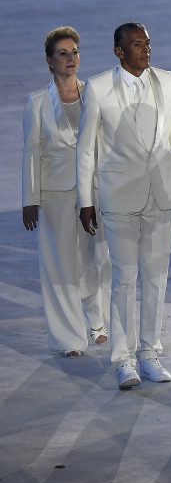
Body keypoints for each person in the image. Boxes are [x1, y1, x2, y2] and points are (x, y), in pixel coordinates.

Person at [76, 22, 171, 390]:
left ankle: (150, 352)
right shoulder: (97, 87)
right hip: (119, 195)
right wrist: (85, 200)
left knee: (156, 278)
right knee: (125, 279)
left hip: (161, 192)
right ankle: (123, 359)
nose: (146, 50)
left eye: (148, 43)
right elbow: (86, 147)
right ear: (119, 52)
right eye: (137, 45)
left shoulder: (167, 81)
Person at [22, 26, 111, 357]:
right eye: (63, 53)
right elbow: (31, 152)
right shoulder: (37, 103)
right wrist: (30, 199)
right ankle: (69, 339)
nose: (70, 58)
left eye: (74, 52)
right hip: (56, 195)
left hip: (94, 191)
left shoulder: (95, 95)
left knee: (97, 258)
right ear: (49, 60)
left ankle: (98, 321)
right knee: (59, 265)